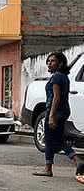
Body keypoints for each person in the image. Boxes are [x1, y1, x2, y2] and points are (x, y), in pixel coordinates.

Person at [32, 52, 83, 182]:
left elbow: (56, 97)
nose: (49, 63)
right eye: (48, 61)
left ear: (60, 63)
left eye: (53, 61)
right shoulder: (64, 77)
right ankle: (78, 161)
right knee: (59, 139)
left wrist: (51, 116)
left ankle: (48, 169)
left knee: (49, 140)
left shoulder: (56, 77)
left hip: (56, 110)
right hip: (64, 110)